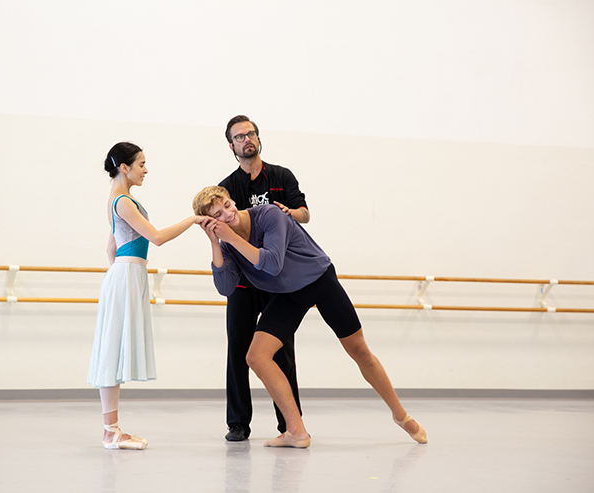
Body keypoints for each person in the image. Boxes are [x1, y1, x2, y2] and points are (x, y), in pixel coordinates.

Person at [192, 186, 428, 448]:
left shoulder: (269, 214)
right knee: (256, 356)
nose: (227, 214)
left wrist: (232, 239)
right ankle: (296, 431)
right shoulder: (226, 245)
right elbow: (225, 288)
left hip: (319, 280)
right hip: (288, 294)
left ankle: (400, 415)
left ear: (232, 200)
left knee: (359, 350)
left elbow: (272, 264)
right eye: (218, 214)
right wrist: (216, 243)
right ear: (210, 223)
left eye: (226, 205)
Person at [87, 142, 205, 450]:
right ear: (124, 168)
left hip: (126, 276)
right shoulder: (123, 201)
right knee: (113, 349)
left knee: (115, 348)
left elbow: (110, 248)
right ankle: (110, 431)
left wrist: (123, 274)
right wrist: (193, 220)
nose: (145, 169)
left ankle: (111, 429)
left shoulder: (119, 199)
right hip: (126, 276)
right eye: (141, 164)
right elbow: (156, 237)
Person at [217, 115, 310, 442]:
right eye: (239, 137)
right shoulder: (225, 188)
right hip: (244, 280)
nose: (247, 140)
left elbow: (305, 214)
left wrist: (289, 213)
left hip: (278, 279)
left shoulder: (282, 176)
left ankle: (289, 424)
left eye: (251, 134)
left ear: (258, 139)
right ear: (231, 146)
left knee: (282, 352)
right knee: (238, 351)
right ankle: (238, 423)